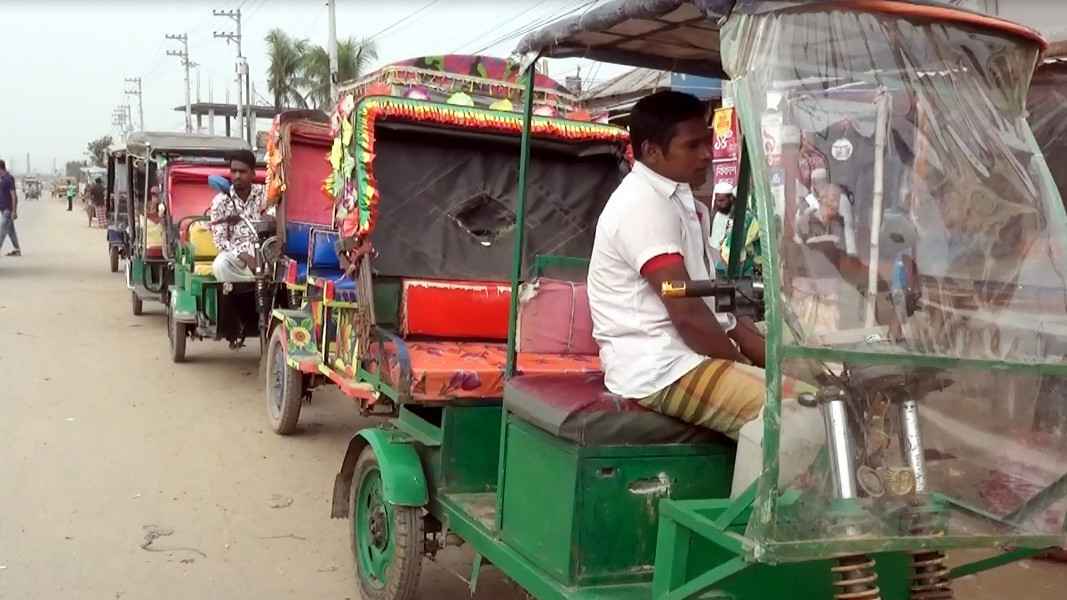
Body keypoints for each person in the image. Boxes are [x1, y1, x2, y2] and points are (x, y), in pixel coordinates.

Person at [587, 91, 766, 439]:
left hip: (687, 355)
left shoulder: (685, 203)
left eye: (709, 142)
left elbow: (717, 306)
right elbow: (686, 313)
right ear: (652, 151)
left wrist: (773, 358)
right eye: (693, 145)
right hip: (660, 368)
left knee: (816, 381)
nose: (707, 155)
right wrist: (742, 365)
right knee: (794, 413)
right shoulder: (642, 205)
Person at [209, 150, 265, 282]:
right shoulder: (220, 201)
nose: (237, 176)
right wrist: (244, 256)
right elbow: (220, 241)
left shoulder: (265, 194)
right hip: (238, 260)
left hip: (264, 255)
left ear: (253, 173)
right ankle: (249, 285)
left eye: (242, 171)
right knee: (220, 264)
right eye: (234, 171)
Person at [708, 182, 734, 271]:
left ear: (731, 198)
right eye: (717, 200)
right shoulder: (715, 215)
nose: (718, 204)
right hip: (715, 258)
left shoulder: (737, 215)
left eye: (722, 200)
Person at [0, 160, 21, 256]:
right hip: (4, 209)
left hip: (8, 210)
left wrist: (14, 211)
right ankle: (17, 250)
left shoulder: (8, 179)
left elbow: (14, 195)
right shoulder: (3, 178)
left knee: (2, 232)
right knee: (11, 231)